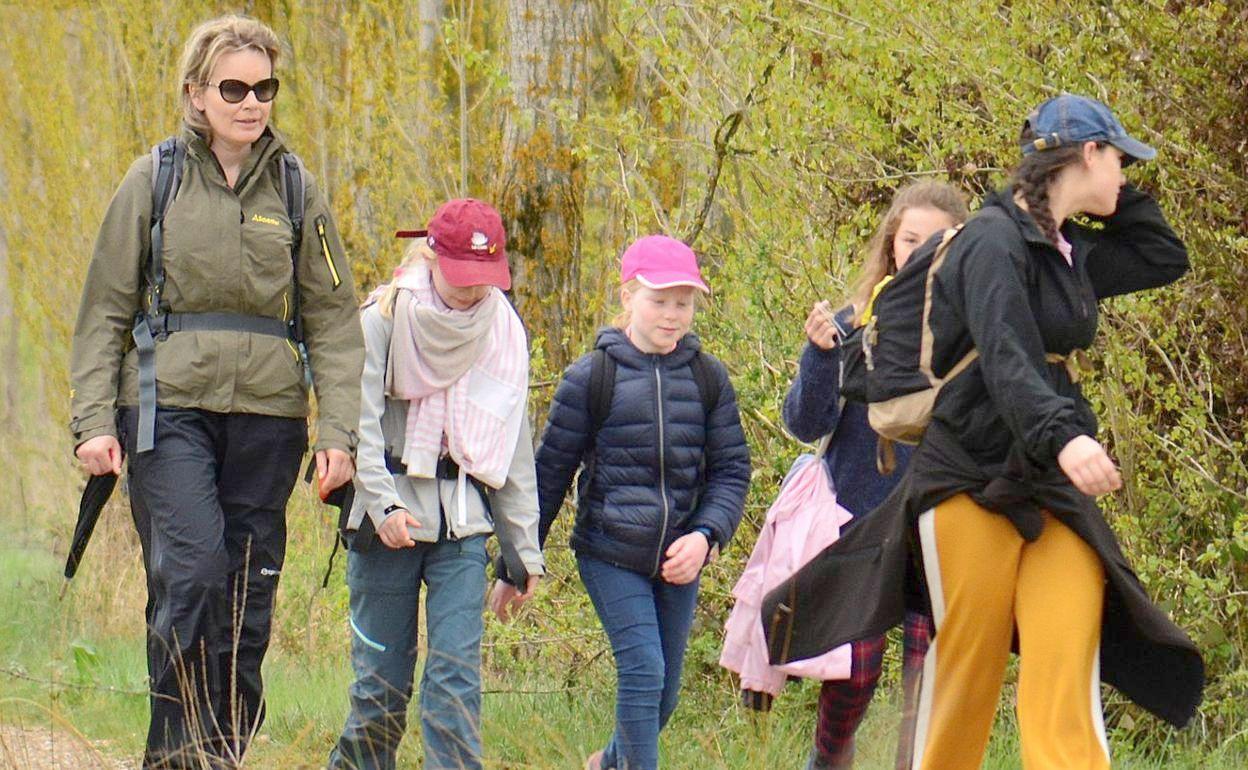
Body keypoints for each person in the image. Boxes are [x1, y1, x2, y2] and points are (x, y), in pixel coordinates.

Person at [69, 14, 364, 768]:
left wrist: (337, 436)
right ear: (197, 93)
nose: (251, 101)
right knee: (193, 571)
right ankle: (172, 756)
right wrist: (93, 422)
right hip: (167, 412)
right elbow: (104, 307)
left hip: (269, 420)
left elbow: (333, 321)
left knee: (245, 597)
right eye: (233, 87)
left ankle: (220, 752)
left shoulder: (298, 189)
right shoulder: (154, 178)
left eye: (265, 86)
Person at [899, 94, 1200, 768]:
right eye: (1118, 158)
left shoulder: (1073, 251)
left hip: (1049, 481)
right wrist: (1068, 438)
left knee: (1066, 662)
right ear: (1088, 152)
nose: (1124, 173)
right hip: (969, 475)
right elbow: (1006, 359)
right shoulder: (989, 239)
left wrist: (1108, 193)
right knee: (967, 673)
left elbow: (1163, 256)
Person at [328, 199, 544, 770]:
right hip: (384, 523)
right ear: (431, 254)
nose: (475, 292)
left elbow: (511, 447)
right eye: (463, 277)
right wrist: (384, 505)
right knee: (382, 690)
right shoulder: (383, 317)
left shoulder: (503, 331)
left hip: (463, 526)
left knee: (454, 685)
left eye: (486, 280)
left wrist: (523, 556)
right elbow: (359, 428)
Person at [534, 235, 751, 770]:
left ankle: (607, 763)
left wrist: (706, 536)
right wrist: (520, 560)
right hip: (609, 552)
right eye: (659, 300)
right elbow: (549, 473)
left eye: (684, 302)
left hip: (679, 561)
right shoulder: (592, 377)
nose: (673, 315)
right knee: (643, 670)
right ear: (628, 296)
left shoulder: (708, 378)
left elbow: (730, 471)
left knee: (665, 694)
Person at [781, 181, 969, 770]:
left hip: (936, 527)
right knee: (853, 678)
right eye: (910, 239)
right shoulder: (853, 323)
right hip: (858, 528)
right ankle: (828, 763)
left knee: (926, 679)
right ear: (892, 244)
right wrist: (819, 354)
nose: (920, 252)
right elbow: (805, 421)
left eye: (935, 242)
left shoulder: (970, 336)